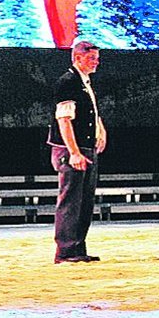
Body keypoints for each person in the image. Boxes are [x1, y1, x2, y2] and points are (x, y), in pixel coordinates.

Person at [49, 37, 106, 264]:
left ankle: (77, 247)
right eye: (91, 58)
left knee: (84, 201)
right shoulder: (67, 82)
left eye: (97, 58)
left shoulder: (85, 83)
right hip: (72, 149)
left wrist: (100, 131)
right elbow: (64, 120)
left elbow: (91, 112)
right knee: (71, 200)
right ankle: (64, 251)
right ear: (78, 58)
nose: (96, 63)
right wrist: (73, 152)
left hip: (86, 147)